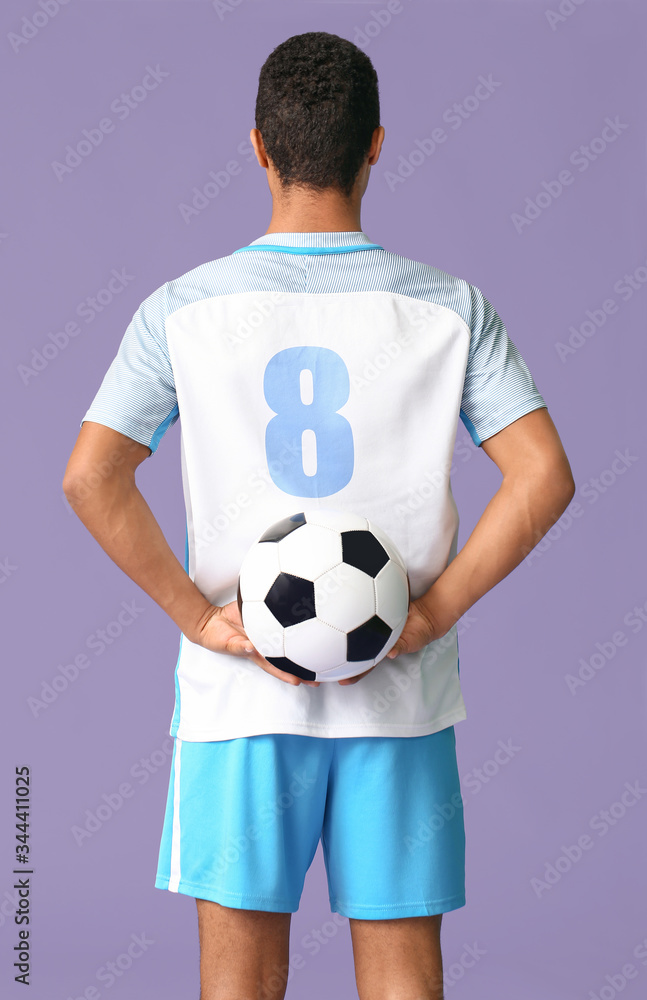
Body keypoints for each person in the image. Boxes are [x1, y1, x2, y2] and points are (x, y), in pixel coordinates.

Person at [62, 30, 575, 1000]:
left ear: (257, 146)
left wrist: (199, 619)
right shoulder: (449, 308)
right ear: (375, 146)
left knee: (241, 985)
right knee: (399, 982)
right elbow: (541, 473)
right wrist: (429, 613)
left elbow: (92, 477)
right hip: (401, 695)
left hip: (238, 699)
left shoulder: (181, 308)